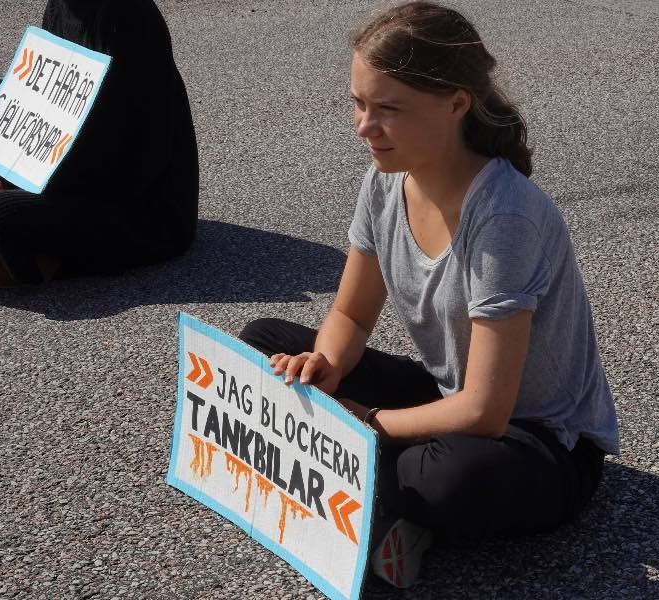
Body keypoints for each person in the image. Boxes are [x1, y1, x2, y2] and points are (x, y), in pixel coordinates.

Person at [240, 1, 619, 589]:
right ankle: (381, 494)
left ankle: (378, 490)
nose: (364, 127)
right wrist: (326, 366)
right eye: (359, 104)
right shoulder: (386, 178)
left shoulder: (505, 217)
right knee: (265, 345)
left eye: (388, 109)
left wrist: (366, 422)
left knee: (446, 479)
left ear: (456, 103)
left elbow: (487, 411)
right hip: (454, 402)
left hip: (537, 444)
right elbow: (348, 312)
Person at [0, 0, 198, 287]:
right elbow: (39, 110)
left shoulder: (128, 18)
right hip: (67, 170)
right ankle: (10, 251)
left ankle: (42, 259)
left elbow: (135, 162)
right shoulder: (62, 6)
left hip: (134, 204)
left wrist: (29, 185)